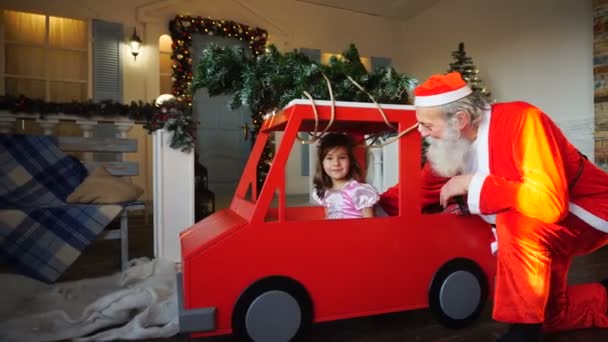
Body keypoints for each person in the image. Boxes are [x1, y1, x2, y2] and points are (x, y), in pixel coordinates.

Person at [379, 72, 608, 341]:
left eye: (427, 125)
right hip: (544, 226)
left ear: (460, 120)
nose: (421, 132)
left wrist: (475, 184)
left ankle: (522, 330)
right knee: (550, 315)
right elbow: (420, 189)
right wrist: (368, 208)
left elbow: (550, 203)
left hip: (589, 210)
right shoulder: (452, 144)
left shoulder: (523, 120)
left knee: (513, 221)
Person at [313, 132, 380, 219]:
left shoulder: (358, 191)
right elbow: (327, 218)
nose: (336, 163)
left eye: (342, 157)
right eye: (329, 158)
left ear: (350, 161)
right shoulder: (325, 191)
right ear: (322, 163)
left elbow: (370, 222)